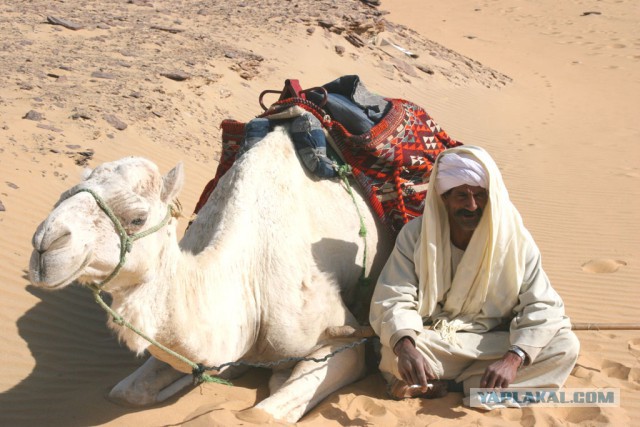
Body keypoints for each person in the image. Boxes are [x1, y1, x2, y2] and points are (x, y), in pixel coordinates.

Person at [369, 145, 579, 403]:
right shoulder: (416, 236)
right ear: (444, 197)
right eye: (461, 196)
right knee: (393, 351)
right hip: (437, 340)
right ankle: (468, 383)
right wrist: (406, 346)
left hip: (493, 343)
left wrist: (513, 358)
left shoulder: (515, 240)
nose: (472, 206)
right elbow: (393, 297)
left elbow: (544, 306)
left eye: (480, 196)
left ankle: (449, 385)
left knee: (564, 346)